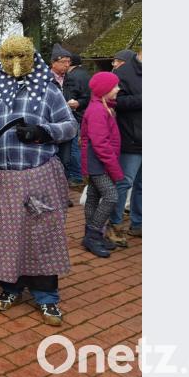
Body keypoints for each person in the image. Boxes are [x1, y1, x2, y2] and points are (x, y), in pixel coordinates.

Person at [0, 36, 77, 326]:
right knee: (2, 235)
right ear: (1, 59)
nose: (15, 63)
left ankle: (46, 295)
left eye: (21, 56)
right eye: (9, 57)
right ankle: (10, 287)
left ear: (32, 57)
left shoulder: (48, 91)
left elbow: (70, 126)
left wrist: (43, 132)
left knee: (42, 234)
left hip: (38, 174)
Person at [80, 72, 124, 257]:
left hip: (97, 162)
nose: (118, 89)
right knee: (111, 196)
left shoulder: (103, 106)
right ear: (105, 89)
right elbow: (100, 144)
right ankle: (93, 235)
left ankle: (90, 236)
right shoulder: (98, 110)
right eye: (115, 86)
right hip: (98, 163)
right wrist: (114, 168)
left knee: (93, 196)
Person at [106, 48, 142, 241]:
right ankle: (114, 223)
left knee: (143, 185)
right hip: (130, 138)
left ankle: (138, 224)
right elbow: (113, 101)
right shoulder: (123, 73)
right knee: (124, 182)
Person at [49, 44, 75, 205]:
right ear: (53, 63)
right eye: (64, 62)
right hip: (49, 127)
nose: (67, 65)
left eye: (69, 62)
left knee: (65, 161)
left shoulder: (72, 79)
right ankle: (49, 195)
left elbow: (85, 96)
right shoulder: (44, 79)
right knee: (49, 161)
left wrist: (79, 103)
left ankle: (62, 195)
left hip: (66, 126)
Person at [63, 53, 92, 186]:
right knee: (81, 145)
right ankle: (81, 174)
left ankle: (77, 176)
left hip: (76, 115)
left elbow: (70, 98)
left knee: (74, 147)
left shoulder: (72, 77)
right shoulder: (86, 74)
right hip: (86, 114)